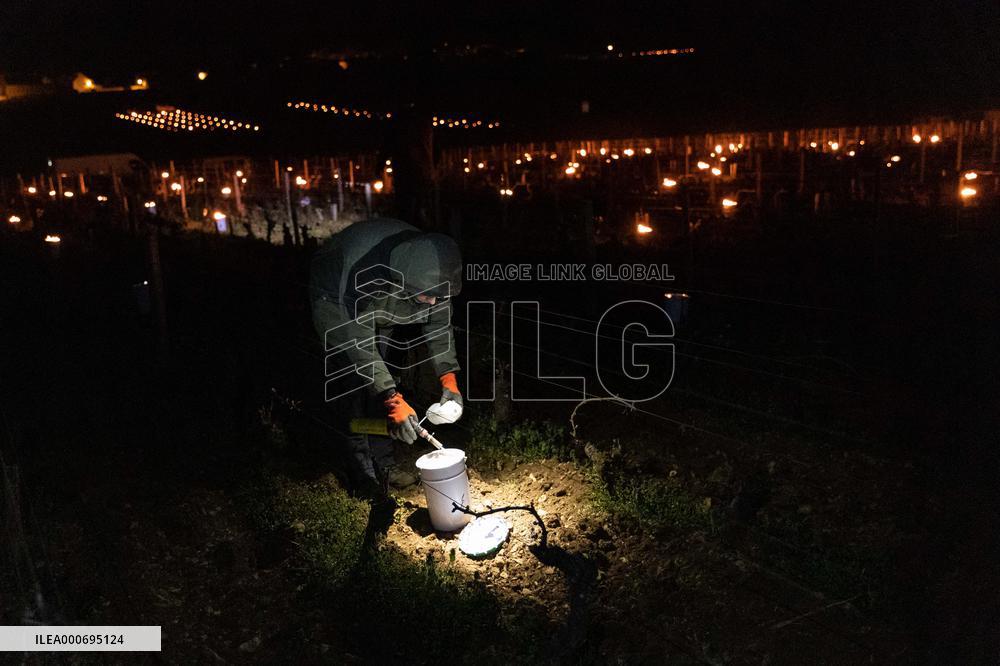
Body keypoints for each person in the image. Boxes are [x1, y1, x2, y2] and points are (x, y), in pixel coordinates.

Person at [309, 218, 464, 503]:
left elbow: (440, 327)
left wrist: (449, 379)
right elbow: (358, 345)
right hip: (335, 296)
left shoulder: (430, 272)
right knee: (354, 379)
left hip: (390, 296)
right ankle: (361, 474)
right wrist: (391, 398)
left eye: (438, 296)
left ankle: (384, 463)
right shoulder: (364, 275)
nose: (432, 303)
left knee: (387, 370)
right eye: (428, 296)